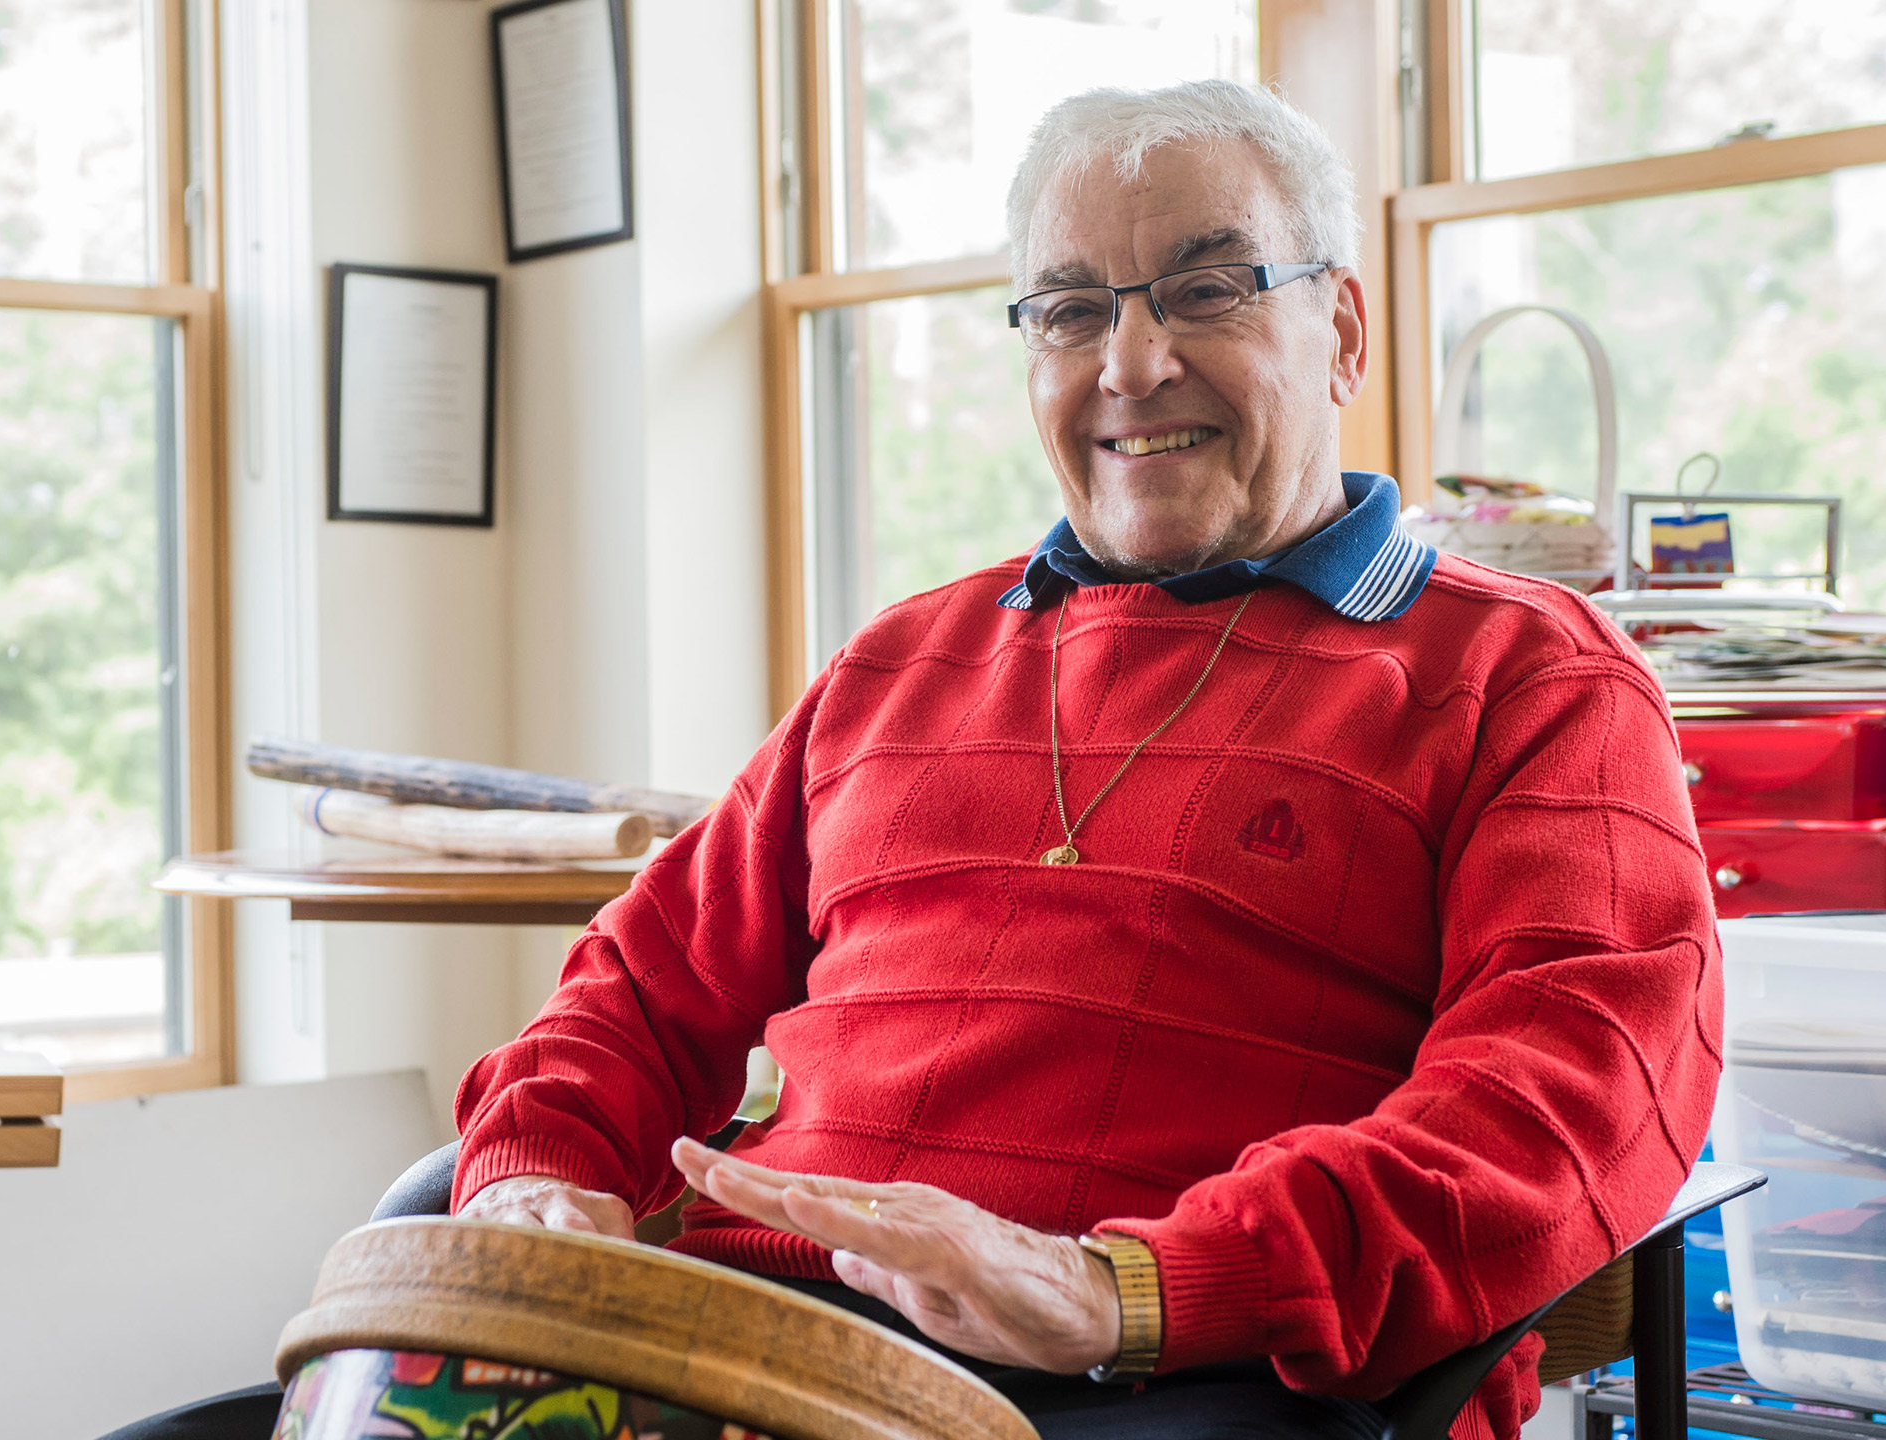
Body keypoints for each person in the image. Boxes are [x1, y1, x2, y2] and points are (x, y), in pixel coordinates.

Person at [105, 78, 1719, 1440]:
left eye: (1208, 288)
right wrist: (535, 1170)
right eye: (1072, 309)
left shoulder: (1533, 679)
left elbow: (1558, 1117)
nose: (1130, 366)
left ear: (1345, 329)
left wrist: (1119, 1288)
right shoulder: (899, 662)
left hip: (1138, 1379)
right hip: (739, 1350)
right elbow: (639, 991)